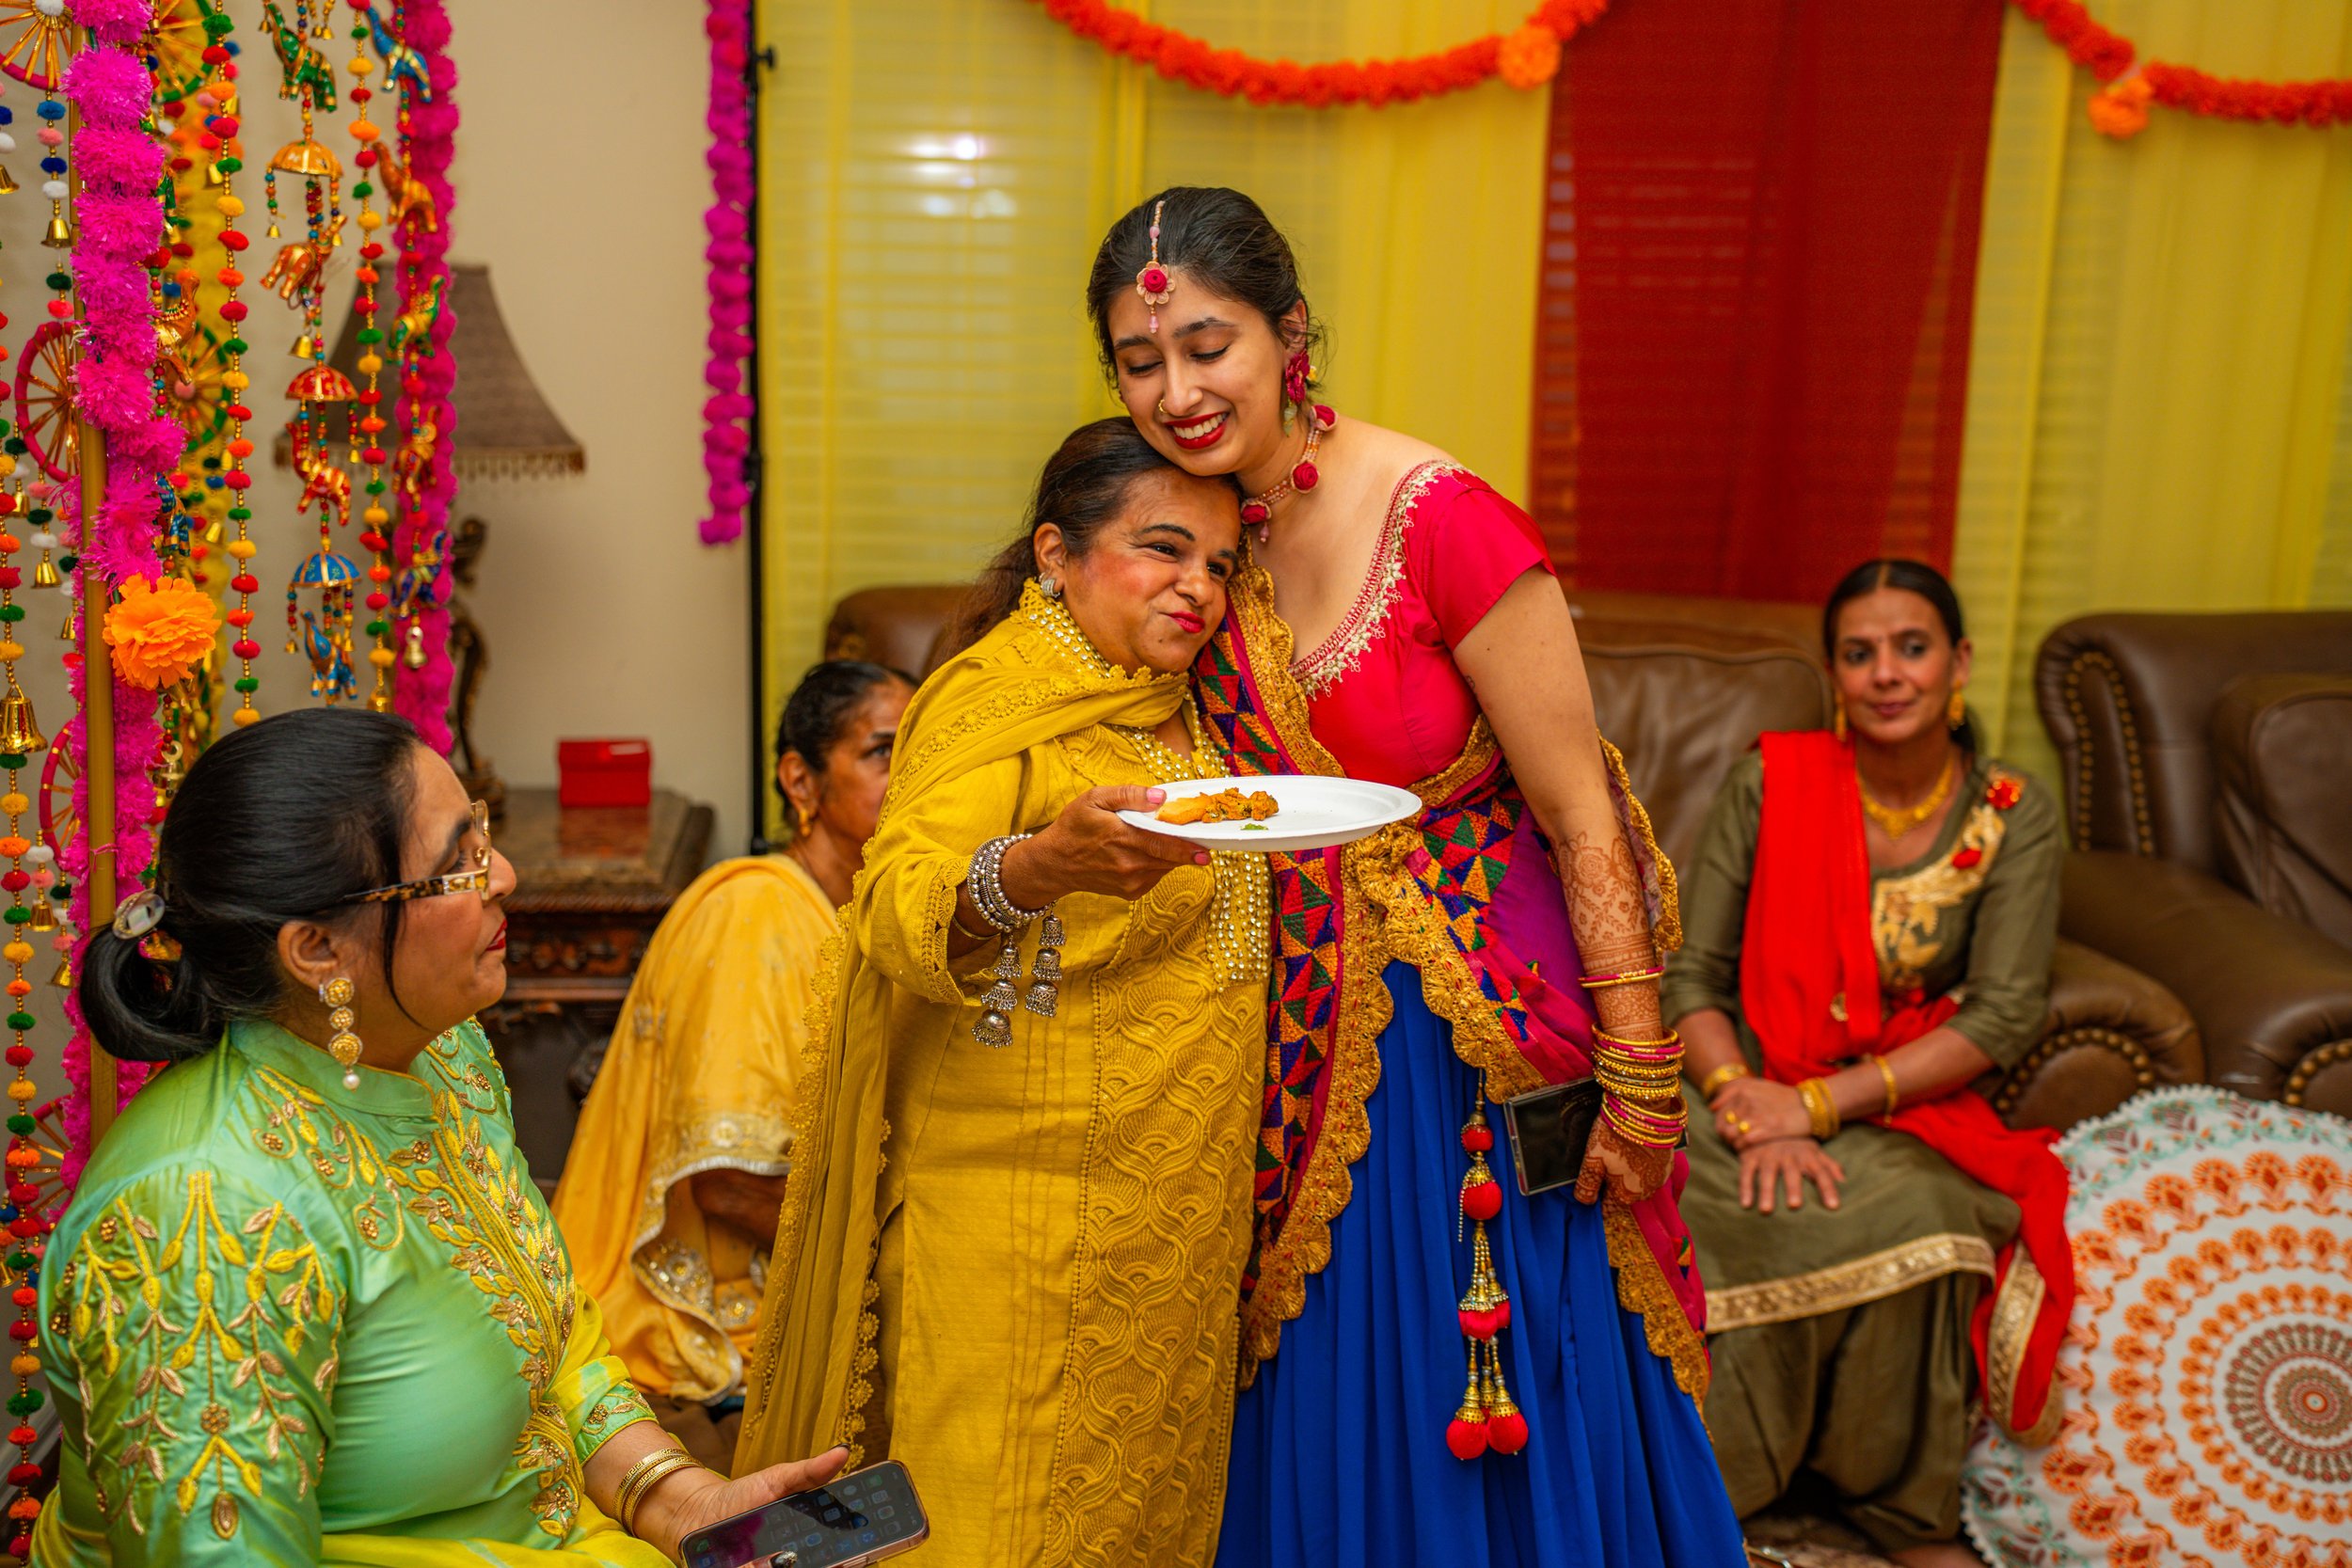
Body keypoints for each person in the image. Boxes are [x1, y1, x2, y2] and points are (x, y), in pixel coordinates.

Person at [1087, 187, 1745, 1565]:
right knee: (1313, 1371)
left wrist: (1637, 1064)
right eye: (1141, 362)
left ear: (1291, 334)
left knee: (1496, 1367)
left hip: (1480, 1040)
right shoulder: (1191, 537)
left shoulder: (1439, 518)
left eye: (1209, 345)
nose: (1179, 389)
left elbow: (1583, 816)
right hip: (1280, 1028)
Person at [39, 708, 846, 1567]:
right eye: (456, 865)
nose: (503, 874)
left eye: (482, 836)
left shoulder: (436, 1051)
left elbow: (554, 1335)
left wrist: (683, 1501)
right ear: (317, 950)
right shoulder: (206, 1217)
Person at [734, 420, 1270, 1565]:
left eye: (1221, 563)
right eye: (1162, 548)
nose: (1199, 586)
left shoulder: (1179, 706)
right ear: (1054, 552)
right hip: (1018, 1224)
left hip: (1160, 1224)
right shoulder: (994, 698)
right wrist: (1039, 866)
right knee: (995, 1523)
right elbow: (893, 904)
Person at [1663, 560, 2073, 1567]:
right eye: (1859, 652)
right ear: (1832, 672)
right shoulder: (1774, 781)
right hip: (1732, 1086)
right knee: (1707, 1202)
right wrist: (1743, 1100)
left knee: (1925, 1222)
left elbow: (2006, 1011)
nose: (1886, 673)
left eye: (1911, 646)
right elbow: (1693, 976)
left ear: (1959, 662)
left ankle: (1893, 1509)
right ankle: (1705, 1500)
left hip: (1891, 1104)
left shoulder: (2012, 813)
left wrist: (1814, 1106)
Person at [554, 660, 914, 1468]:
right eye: (884, 752)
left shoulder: (861, 921)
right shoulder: (755, 911)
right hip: (699, 1342)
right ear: (801, 778)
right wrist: (894, 1261)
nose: (912, 776)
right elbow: (725, 1181)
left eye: (924, 753)